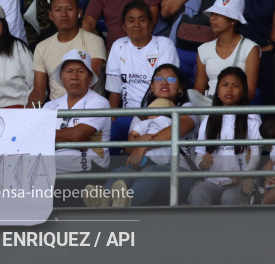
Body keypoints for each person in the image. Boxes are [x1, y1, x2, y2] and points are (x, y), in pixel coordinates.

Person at [85, 65, 200, 207]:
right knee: (122, 172)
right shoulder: (142, 116)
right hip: (142, 165)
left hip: (181, 172)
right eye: (159, 79)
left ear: (180, 88)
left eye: (171, 79)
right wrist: (140, 144)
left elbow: (179, 128)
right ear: (152, 87)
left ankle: (126, 203)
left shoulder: (187, 107)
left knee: (150, 172)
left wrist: (145, 144)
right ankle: (104, 199)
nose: (164, 82)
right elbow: (129, 148)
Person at [190, 67, 261, 206]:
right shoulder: (208, 120)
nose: (229, 90)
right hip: (213, 181)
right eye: (224, 85)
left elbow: (256, 155)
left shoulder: (252, 118)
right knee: (198, 194)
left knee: (230, 197)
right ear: (218, 90)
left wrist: (242, 176)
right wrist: (202, 163)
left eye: (235, 86)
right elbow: (199, 156)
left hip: (241, 181)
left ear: (243, 91)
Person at [28, 0, 106, 106]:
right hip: (56, 109)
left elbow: (90, 82)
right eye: (58, 10)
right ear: (51, 15)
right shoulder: (42, 47)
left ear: (79, 13)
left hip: (89, 107)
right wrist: (29, 112)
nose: (64, 14)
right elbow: (39, 90)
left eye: (69, 9)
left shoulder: (94, 41)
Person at [42, 50, 111, 178]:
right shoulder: (49, 106)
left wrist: (54, 139)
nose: (74, 76)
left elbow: (77, 135)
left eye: (80, 71)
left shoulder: (99, 102)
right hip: (51, 171)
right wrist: (75, 140)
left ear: (89, 77)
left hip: (89, 170)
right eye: (69, 71)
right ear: (62, 78)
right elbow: (37, 139)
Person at [105, 0, 179, 109]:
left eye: (142, 20)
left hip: (157, 110)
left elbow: (166, 88)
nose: (136, 25)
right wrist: (112, 117)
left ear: (150, 23)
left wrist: (151, 114)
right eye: (131, 21)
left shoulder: (164, 44)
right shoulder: (118, 46)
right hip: (128, 111)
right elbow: (114, 91)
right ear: (124, 26)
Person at [194, 0, 260, 98]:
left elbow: (250, 92)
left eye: (218, 14)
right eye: (212, 14)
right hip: (210, 103)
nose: (212, 18)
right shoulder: (204, 49)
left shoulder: (250, 48)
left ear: (233, 20)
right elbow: (199, 88)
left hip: (236, 104)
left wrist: (226, 102)